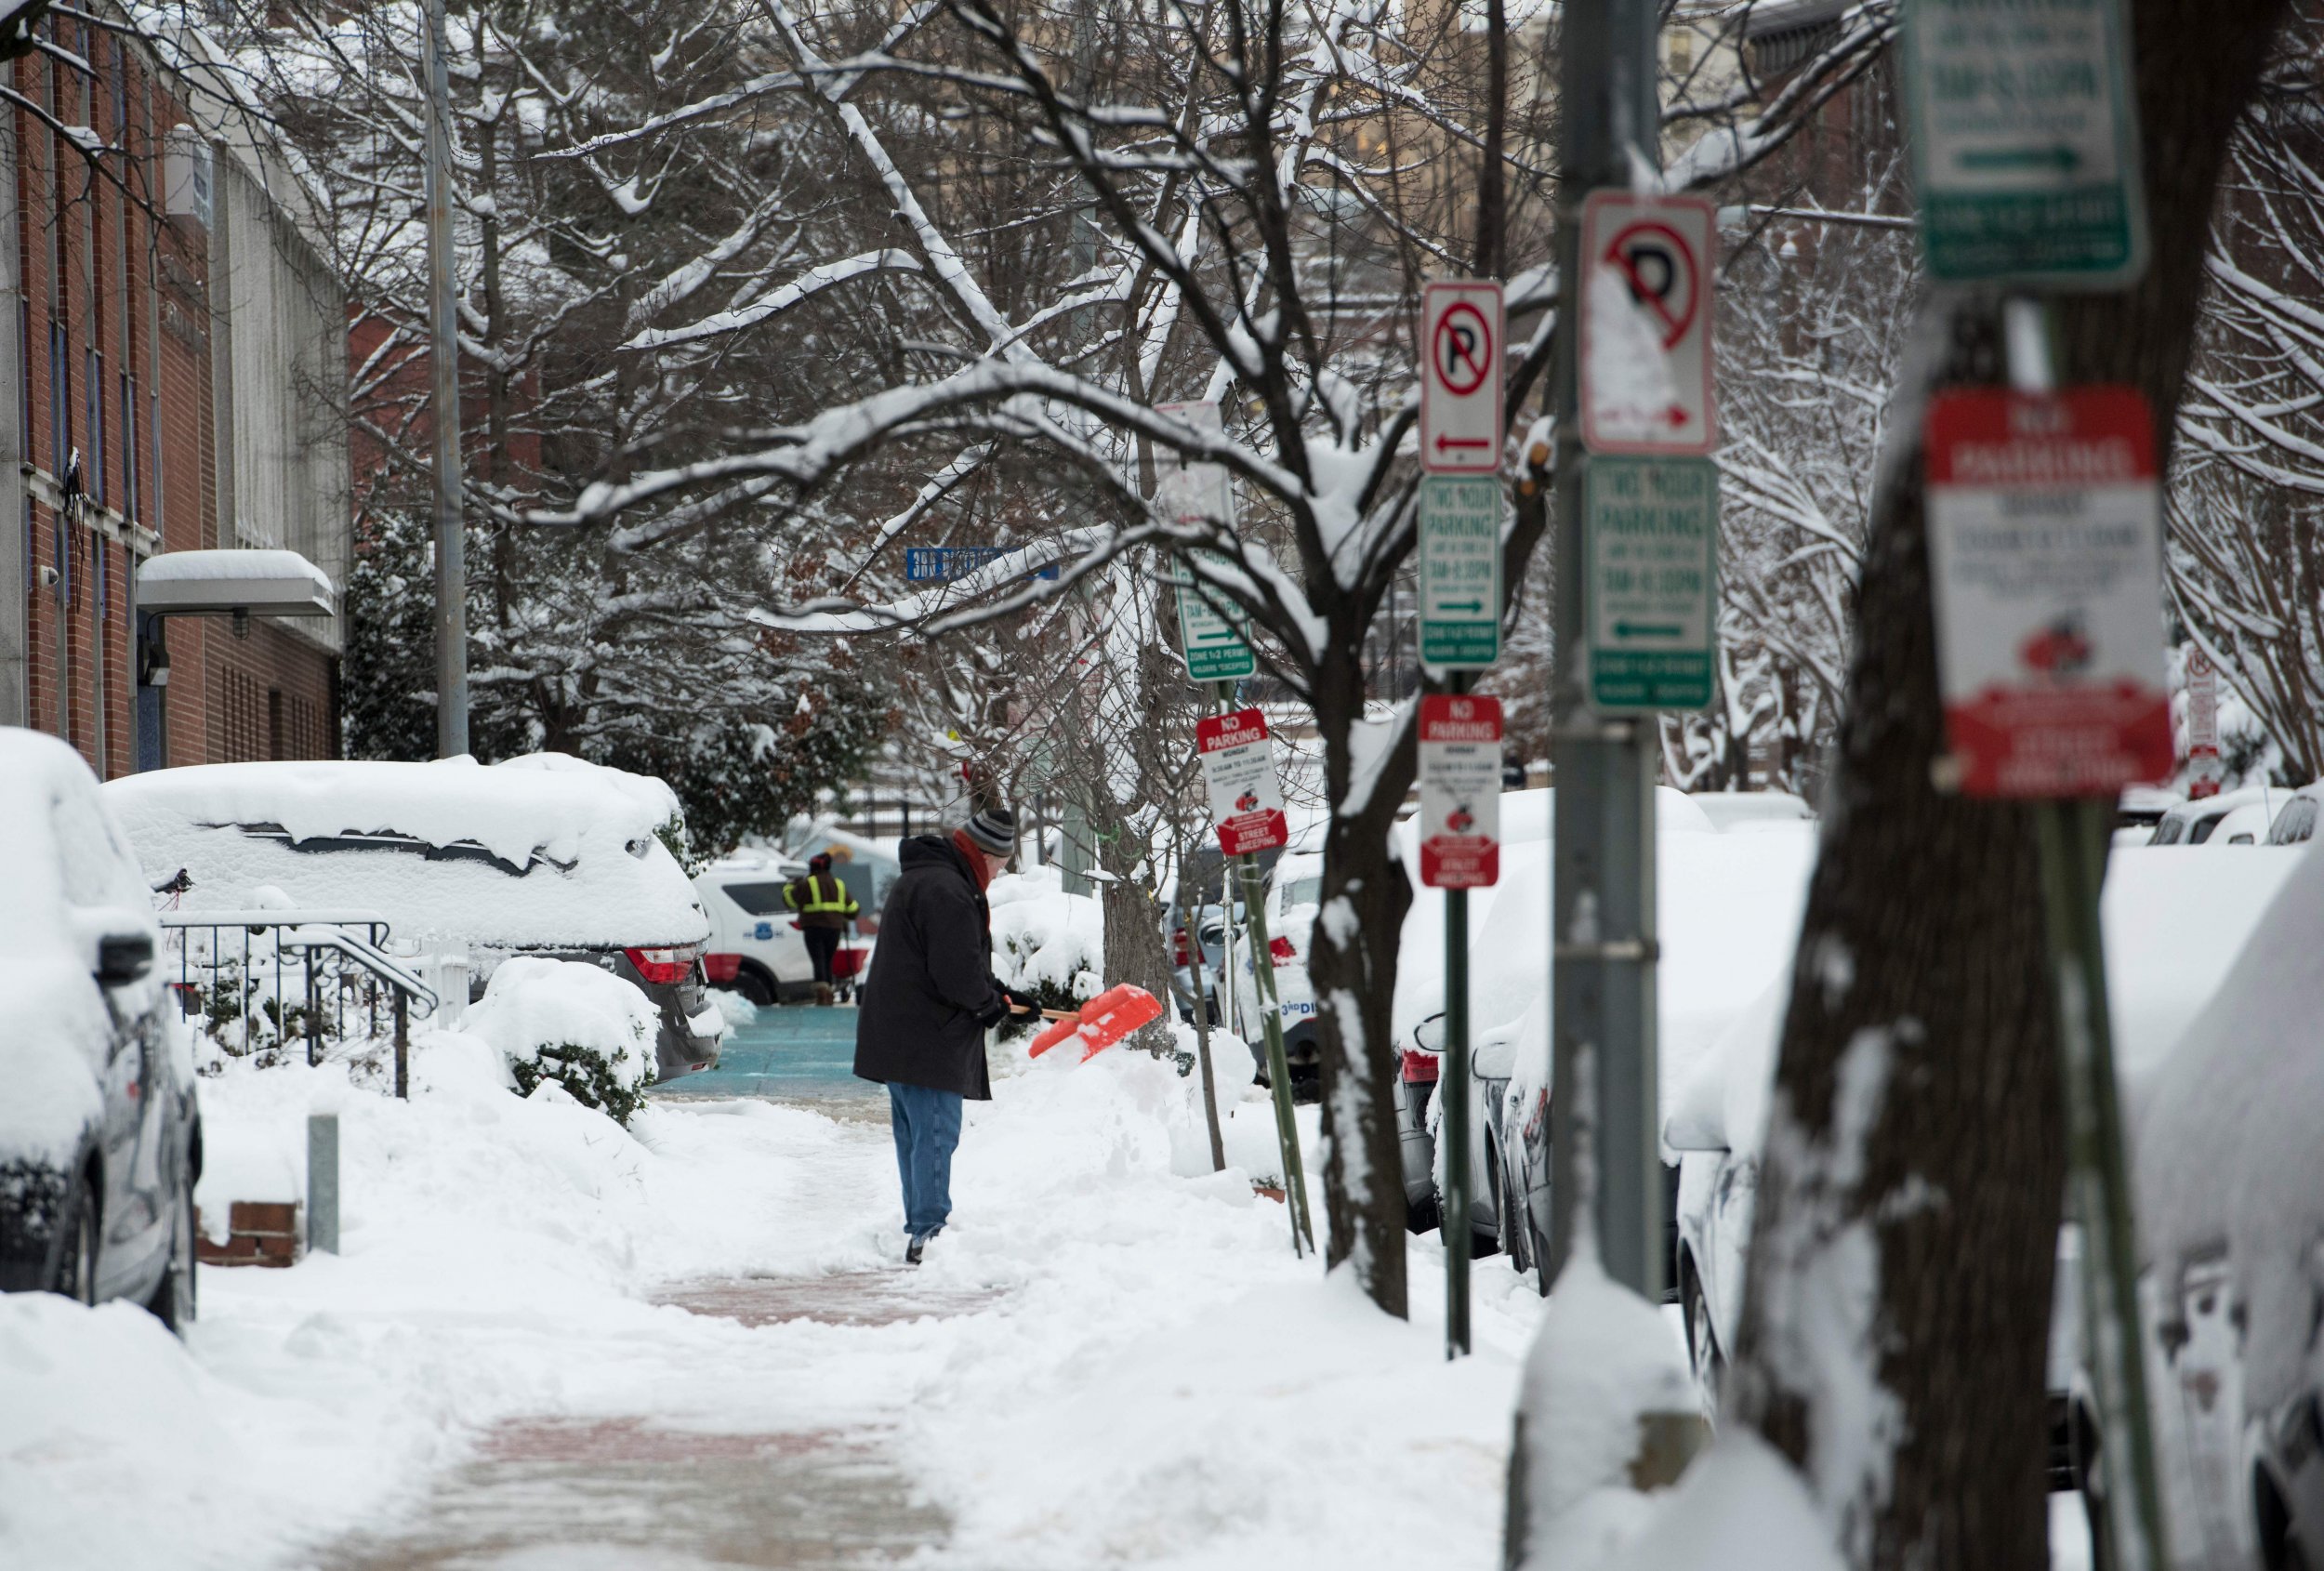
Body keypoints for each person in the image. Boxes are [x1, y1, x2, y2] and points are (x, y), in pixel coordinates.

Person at [852, 805, 1034, 1264]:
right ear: (984, 855)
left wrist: (1001, 993)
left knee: (916, 1136)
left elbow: (954, 962)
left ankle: (919, 1228)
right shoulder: (948, 890)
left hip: (904, 1032)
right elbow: (954, 973)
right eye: (1001, 863)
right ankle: (929, 1236)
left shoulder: (931, 879)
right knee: (934, 1135)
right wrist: (990, 1005)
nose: (1000, 872)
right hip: (926, 1036)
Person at [784, 852, 861, 1006]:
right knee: (828, 959)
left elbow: (790, 901)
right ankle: (828, 992)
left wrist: (789, 886)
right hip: (834, 928)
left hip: (813, 927)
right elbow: (853, 909)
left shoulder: (808, 883)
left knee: (818, 959)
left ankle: (822, 994)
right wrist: (843, 915)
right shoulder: (838, 883)